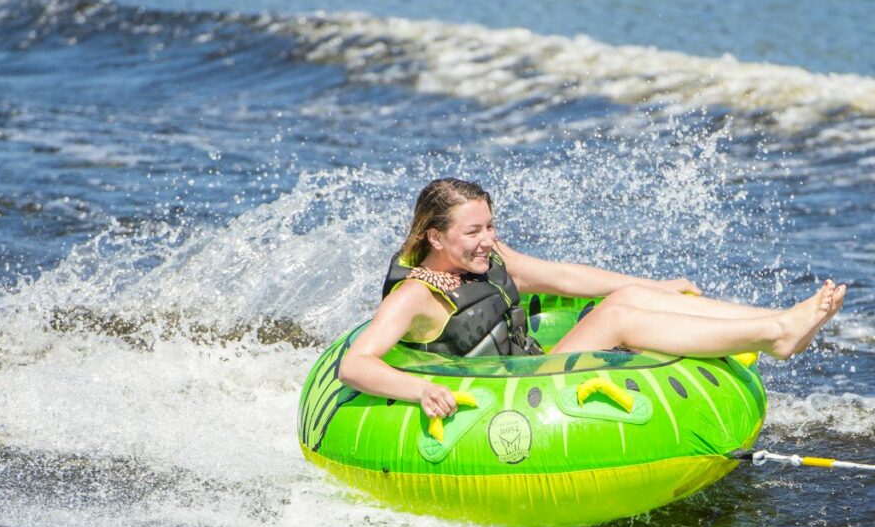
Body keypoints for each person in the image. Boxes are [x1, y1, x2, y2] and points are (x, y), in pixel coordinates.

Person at [338, 178, 846, 418]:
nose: (488, 239)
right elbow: (356, 365)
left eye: (490, 225)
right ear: (435, 237)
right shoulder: (413, 295)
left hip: (528, 370)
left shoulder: (488, 258)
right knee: (622, 313)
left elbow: (560, 277)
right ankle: (775, 335)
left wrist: (655, 286)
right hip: (496, 397)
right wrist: (418, 391)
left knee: (629, 297)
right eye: (473, 231)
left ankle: (778, 321)